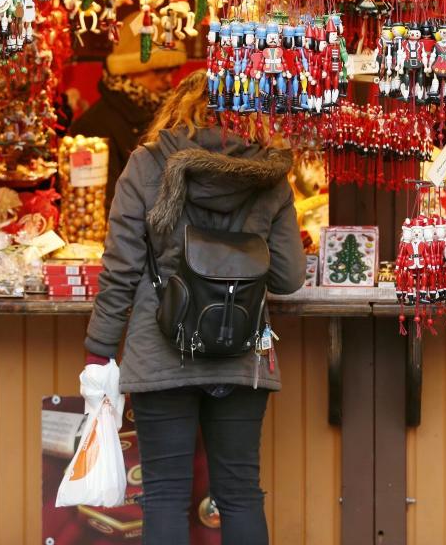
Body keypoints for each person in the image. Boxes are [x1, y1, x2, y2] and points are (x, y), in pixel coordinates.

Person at [84, 70, 307, 545]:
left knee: (164, 494)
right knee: (241, 494)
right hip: (243, 352)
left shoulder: (146, 165)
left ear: (178, 108)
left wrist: (99, 349)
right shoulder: (270, 176)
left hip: (160, 349)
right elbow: (288, 278)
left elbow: (120, 268)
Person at [69, 65, 173, 211]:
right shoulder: (93, 125)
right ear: (129, 71)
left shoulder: (165, 114)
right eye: (158, 71)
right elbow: (101, 204)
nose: (169, 79)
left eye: (172, 70)